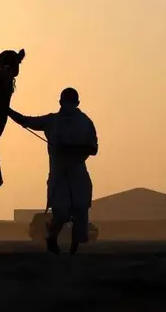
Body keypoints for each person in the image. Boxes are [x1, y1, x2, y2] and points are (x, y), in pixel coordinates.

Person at [8, 88, 98, 255]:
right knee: (61, 212)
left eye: (70, 103)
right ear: (60, 103)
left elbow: (94, 149)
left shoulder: (85, 123)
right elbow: (26, 121)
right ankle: (52, 239)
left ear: (77, 104)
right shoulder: (52, 121)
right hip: (59, 175)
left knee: (80, 211)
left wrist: (73, 149)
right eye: (66, 102)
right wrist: (7, 109)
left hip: (78, 173)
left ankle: (73, 250)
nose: (68, 106)